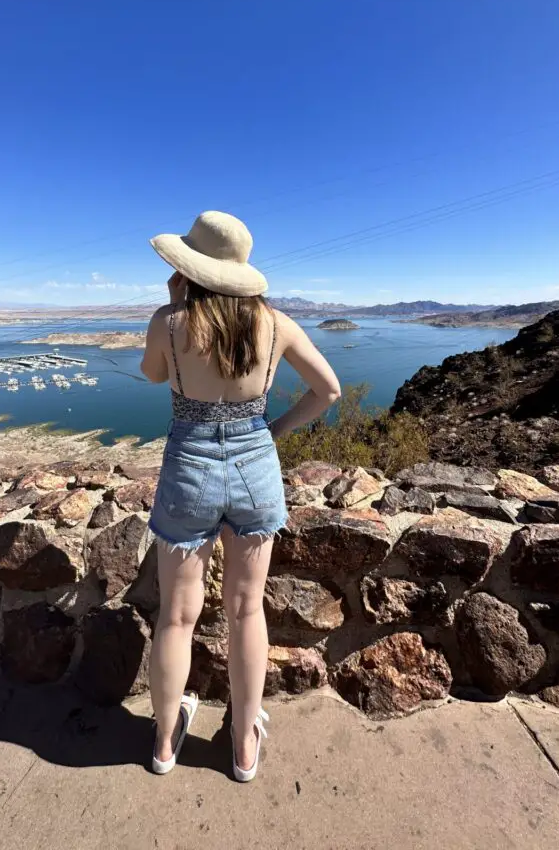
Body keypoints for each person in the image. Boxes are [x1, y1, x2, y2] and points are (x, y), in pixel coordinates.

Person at [140, 210, 341, 782]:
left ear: (191, 268)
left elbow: (154, 375)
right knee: (246, 609)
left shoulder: (169, 321)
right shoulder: (276, 324)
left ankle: (162, 742)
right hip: (257, 468)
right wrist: (270, 433)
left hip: (188, 469)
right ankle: (245, 743)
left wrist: (171, 304)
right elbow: (327, 390)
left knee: (177, 616)